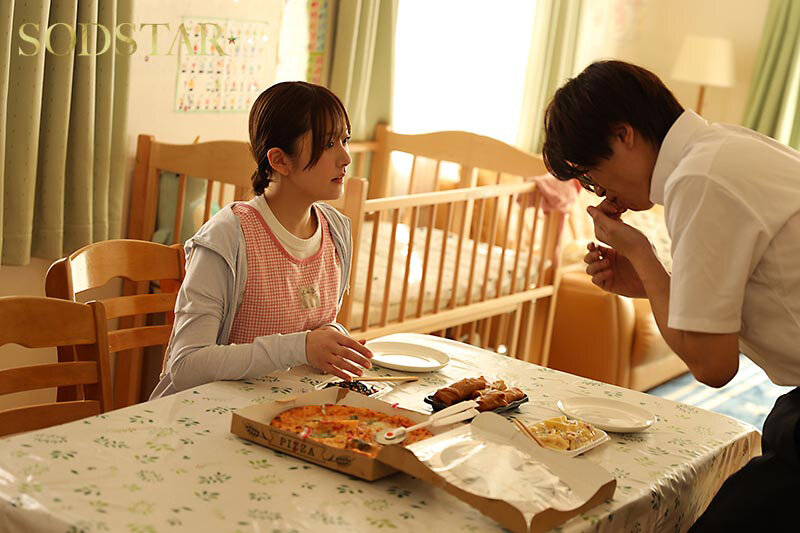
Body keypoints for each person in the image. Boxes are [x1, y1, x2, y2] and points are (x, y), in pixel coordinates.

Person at [541, 60, 800, 530]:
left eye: (594, 176)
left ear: (623, 135)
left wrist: (640, 253)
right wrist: (649, 282)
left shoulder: (699, 180)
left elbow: (713, 366)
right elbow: (737, 297)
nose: (602, 193)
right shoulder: (723, 148)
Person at [151, 81, 372, 399]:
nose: (346, 157)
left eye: (345, 140)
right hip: (207, 412)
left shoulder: (336, 229)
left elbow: (313, 330)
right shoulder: (228, 236)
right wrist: (301, 347)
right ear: (280, 161)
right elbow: (186, 366)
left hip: (283, 410)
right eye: (328, 144)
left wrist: (330, 338)